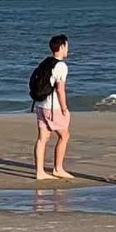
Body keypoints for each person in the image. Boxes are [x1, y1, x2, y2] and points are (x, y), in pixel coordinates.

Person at [30, 35, 74, 180]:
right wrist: (64, 108)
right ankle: (58, 168)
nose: (68, 49)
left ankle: (40, 172)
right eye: (66, 46)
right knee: (64, 135)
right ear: (61, 47)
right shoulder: (61, 66)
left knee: (42, 138)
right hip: (52, 108)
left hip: (40, 105)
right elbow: (60, 89)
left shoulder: (46, 62)